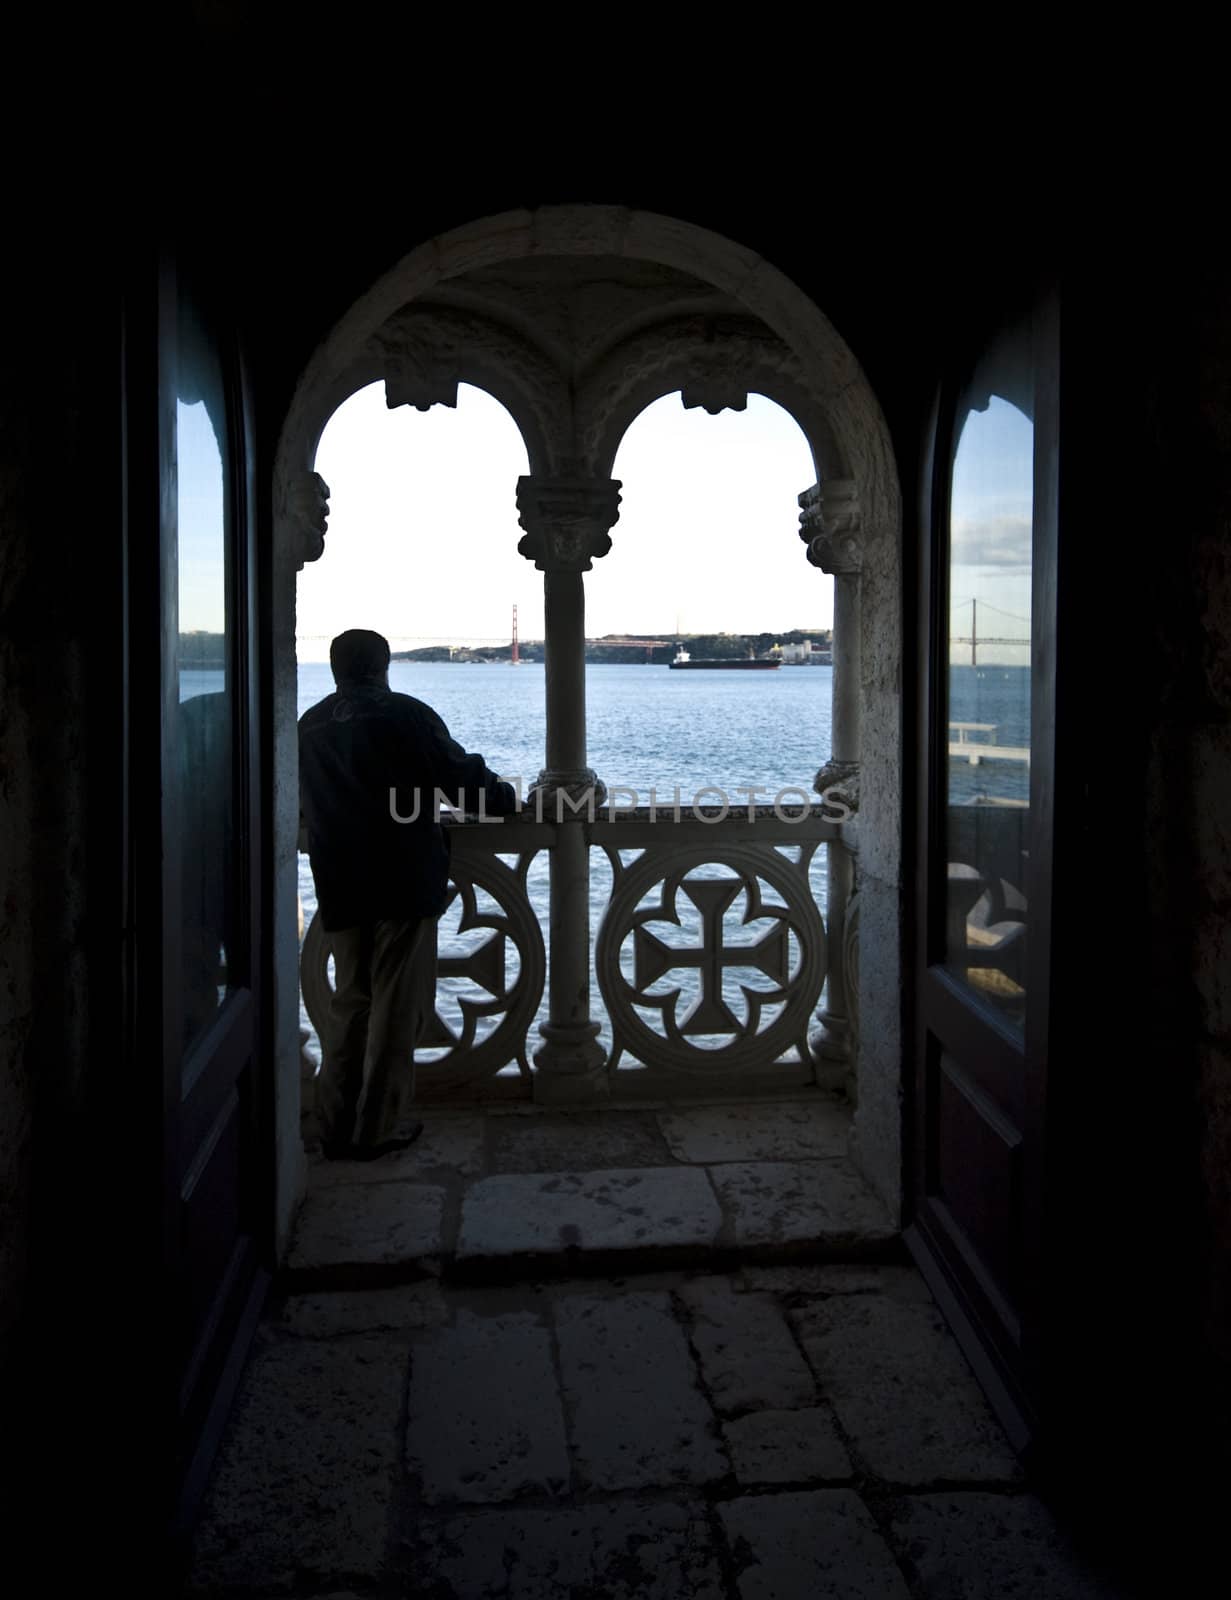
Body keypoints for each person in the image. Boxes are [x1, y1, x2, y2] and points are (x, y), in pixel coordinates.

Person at [299, 628, 518, 1159]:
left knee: (349, 1003)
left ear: (334, 669)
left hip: (340, 878)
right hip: (402, 878)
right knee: (397, 1008)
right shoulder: (406, 715)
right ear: (384, 665)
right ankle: (376, 1128)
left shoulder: (310, 725)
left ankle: (332, 1123)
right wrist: (505, 796)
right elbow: (466, 785)